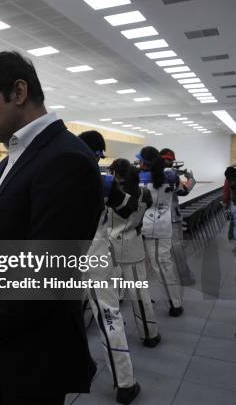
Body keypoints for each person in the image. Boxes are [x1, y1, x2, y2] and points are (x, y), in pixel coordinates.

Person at [0, 51, 102, 405]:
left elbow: (44, 274)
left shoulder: (67, 159)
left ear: (18, 92)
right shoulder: (10, 160)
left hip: (32, 358)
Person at [78, 131, 140, 404]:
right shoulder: (103, 182)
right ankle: (125, 383)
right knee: (108, 314)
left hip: (57, 252)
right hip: (93, 251)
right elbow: (128, 208)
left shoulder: (54, 177)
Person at [108, 158, 161, 347]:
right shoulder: (145, 193)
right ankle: (149, 334)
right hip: (134, 245)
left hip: (110, 247)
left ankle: (113, 334)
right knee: (139, 294)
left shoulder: (108, 193)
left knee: (109, 294)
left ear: (114, 172)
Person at [138, 146, 184, 317]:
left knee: (159, 266)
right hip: (162, 225)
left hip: (148, 227)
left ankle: (175, 303)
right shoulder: (170, 176)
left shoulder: (139, 178)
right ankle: (172, 301)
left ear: (145, 162)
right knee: (161, 264)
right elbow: (184, 189)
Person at [159, 148, 197, 285]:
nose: (170, 163)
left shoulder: (151, 175)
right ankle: (185, 278)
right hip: (172, 218)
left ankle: (165, 279)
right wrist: (191, 178)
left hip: (155, 220)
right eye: (170, 160)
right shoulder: (171, 176)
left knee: (159, 252)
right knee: (177, 248)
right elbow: (184, 191)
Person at [224, 165, 236, 245]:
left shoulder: (229, 176)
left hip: (234, 202)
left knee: (234, 224)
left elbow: (226, 192)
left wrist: (226, 203)